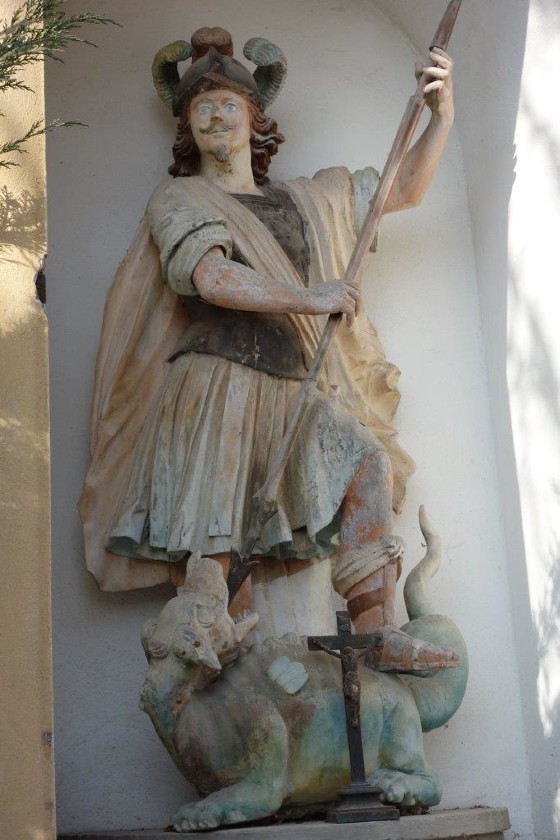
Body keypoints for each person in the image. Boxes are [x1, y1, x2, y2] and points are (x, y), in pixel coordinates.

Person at [80, 26, 456, 670]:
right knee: (219, 529)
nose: (215, 117)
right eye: (201, 108)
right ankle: (232, 673)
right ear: (186, 127)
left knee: (366, 463)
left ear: (256, 121)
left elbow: (403, 190)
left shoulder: (310, 200)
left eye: (228, 104)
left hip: (294, 385)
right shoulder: (179, 197)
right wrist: (311, 298)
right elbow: (210, 277)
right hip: (215, 384)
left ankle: (376, 632)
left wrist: (441, 115)